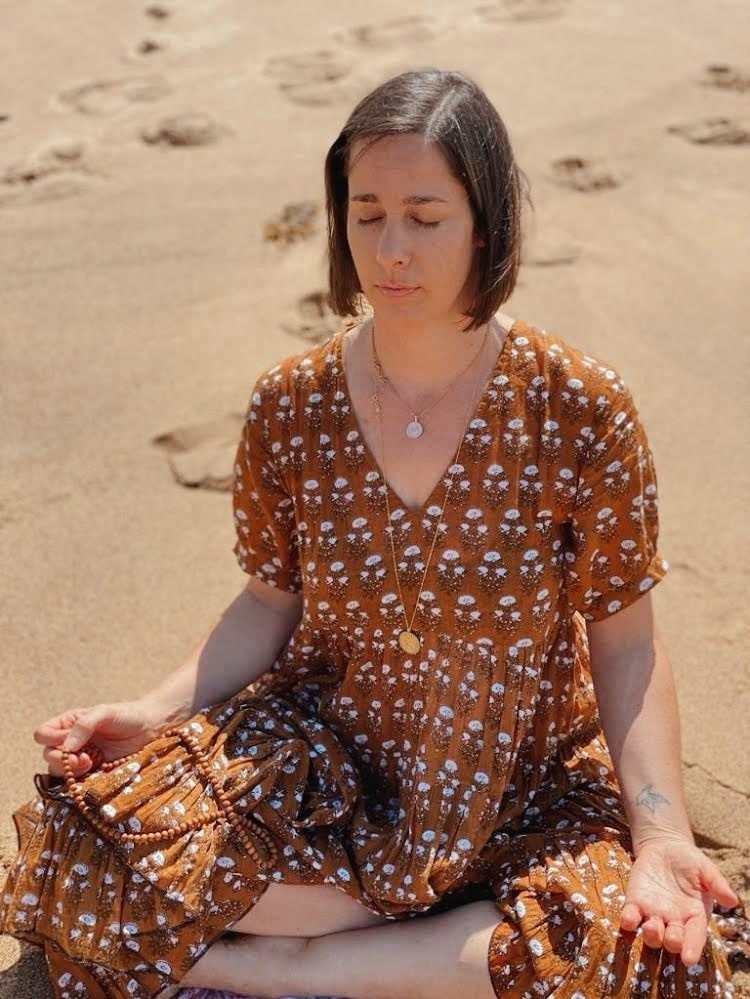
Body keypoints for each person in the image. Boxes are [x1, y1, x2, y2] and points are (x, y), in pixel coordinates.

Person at [0, 68, 744, 999]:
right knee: (84, 848)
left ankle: (289, 966)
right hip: (330, 769)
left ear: (487, 224)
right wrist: (154, 711)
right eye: (367, 214)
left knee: (651, 956)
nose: (391, 250)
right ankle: (419, 952)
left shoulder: (580, 408)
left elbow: (626, 642)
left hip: (522, 784)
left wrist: (661, 833)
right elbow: (269, 602)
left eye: (425, 217)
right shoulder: (291, 405)